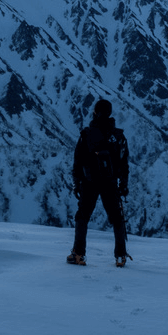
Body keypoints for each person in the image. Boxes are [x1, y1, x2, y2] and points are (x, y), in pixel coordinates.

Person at [67, 98, 130, 267]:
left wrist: (76, 183)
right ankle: (120, 257)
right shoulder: (118, 137)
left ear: (95, 112)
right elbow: (124, 164)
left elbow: (77, 162)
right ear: (110, 114)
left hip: (89, 182)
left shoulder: (86, 134)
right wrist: (123, 184)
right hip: (110, 183)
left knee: (82, 217)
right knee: (117, 218)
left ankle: (78, 254)